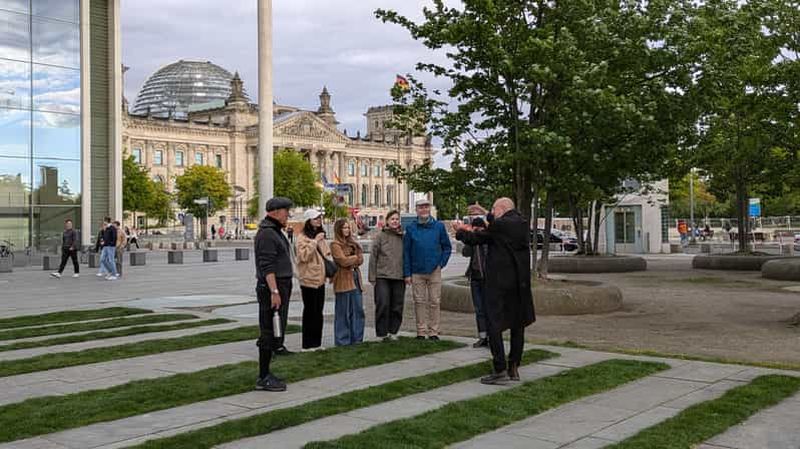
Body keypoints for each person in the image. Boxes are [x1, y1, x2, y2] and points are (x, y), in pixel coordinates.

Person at [455, 198, 536, 384]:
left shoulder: (500, 226)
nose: (492, 212)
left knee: (494, 324)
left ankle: (500, 369)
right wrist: (486, 216)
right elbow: (490, 226)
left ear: (502, 209)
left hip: (500, 284)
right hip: (519, 284)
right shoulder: (522, 223)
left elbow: (477, 238)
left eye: (494, 208)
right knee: (518, 325)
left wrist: (459, 232)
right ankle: (514, 366)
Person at [254, 197, 295, 392]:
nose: (288, 215)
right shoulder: (267, 234)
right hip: (272, 288)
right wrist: (274, 291)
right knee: (268, 331)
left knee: (275, 329)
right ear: (275, 212)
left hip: (280, 286)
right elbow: (267, 266)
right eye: (286, 211)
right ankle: (263, 376)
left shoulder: (275, 231)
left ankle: (267, 372)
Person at [403, 198, 452, 340]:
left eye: (426, 207)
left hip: (434, 270)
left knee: (435, 301)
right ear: (416, 210)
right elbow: (406, 252)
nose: (423, 210)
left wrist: (441, 263)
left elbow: (447, 247)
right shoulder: (411, 229)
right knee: (419, 302)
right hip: (416, 271)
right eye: (420, 207)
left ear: (429, 209)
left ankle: (434, 332)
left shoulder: (439, 227)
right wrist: (407, 273)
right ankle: (421, 331)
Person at [295, 209, 330, 351]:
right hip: (308, 279)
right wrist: (315, 242)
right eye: (315, 218)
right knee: (310, 311)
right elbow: (303, 256)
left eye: (319, 218)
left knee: (318, 311)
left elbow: (326, 254)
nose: (318, 221)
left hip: (320, 278)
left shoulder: (319, 235)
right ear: (308, 221)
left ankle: (317, 342)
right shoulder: (302, 237)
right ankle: (307, 344)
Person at [369, 210, 406, 341]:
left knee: (397, 305)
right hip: (382, 276)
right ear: (387, 221)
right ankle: (381, 333)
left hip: (399, 276)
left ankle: (393, 331)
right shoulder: (380, 236)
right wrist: (372, 276)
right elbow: (373, 256)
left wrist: (407, 274)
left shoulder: (403, 237)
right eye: (392, 219)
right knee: (383, 303)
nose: (395, 221)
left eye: (397, 219)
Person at [330, 219, 365, 346]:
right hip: (343, 280)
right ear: (339, 229)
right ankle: (342, 340)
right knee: (343, 312)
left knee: (358, 310)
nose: (347, 230)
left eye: (348, 228)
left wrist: (353, 259)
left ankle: (357, 339)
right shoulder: (335, 245)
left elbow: (361, 260)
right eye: (344, 228)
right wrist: (354, 257)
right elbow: (342, 261)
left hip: (355, 277)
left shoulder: (353, 243)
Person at [461, 217, 489, 348]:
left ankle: (491, 336)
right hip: (475, 277)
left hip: (487, 278)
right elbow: (465, 253)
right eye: (475, 228)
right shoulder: (473, 240)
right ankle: (482, 336)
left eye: (479, 228)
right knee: (479, 309)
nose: (477, 231)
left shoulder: (488, 239)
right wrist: (470, 237)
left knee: (488, 308)